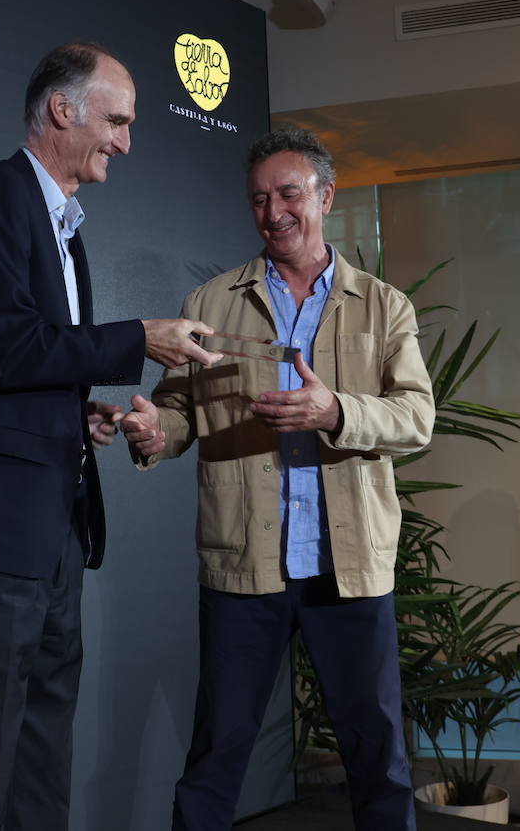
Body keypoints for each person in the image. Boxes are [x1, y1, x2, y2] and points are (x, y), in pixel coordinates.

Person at [0, 41, 222, 831]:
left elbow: (19, 368)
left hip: (52, 534)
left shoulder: (66, 228)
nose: (126, 141)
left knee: (40, 762)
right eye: (117, 120)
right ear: (61, 110)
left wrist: (75, 414)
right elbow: (6, 344)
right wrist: (138, 337)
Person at [119, 127, 434, 831]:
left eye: (290, 194)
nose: (274, 212)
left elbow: (416, 418)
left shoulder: (384, 306)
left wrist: (335, 410)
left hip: (347, 570)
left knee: (378, 759)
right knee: (216, 755)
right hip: (244, 567)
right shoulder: (210, 302)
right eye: (259, 199)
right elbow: (177, 413)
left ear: (325, 197)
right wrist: (150, 431)